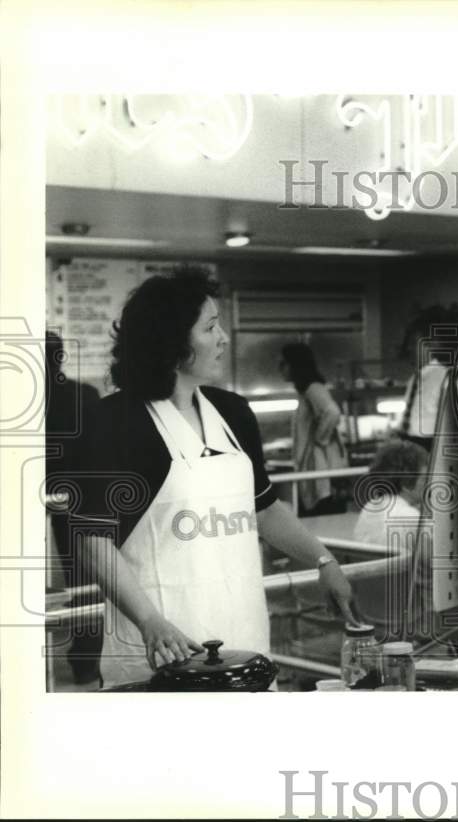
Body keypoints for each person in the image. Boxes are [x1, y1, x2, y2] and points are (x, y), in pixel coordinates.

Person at [73, 267, 359, 688]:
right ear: (171, 341)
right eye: (210, 327)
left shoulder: (233, 412)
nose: (224, 338)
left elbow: (263, 509)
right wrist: (151, 620)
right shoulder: (115, 421)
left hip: (245, 642)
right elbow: (93, 540)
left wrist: (324, 560)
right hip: (160, 650)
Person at [45, 331, 103, 687]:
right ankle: (86, 663)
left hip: (31, 494)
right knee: (85, 579)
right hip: (80, 496)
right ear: (61, 357)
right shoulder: (87, 395)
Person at [353, 440, 432, 639]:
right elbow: (439, 569)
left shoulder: (368, 508)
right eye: (424, 476)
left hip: (370, 612)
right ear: (406, 483)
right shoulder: (412, 518)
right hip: (411, 615)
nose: (429, 482)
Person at [279, 342, 348, 516]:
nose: (281, 368)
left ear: (295, 365)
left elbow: (332, 412)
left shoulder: (313, 389)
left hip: (321, 468)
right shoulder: (307, 391)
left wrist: (320, 439)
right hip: (317, 468)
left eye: (283, 363)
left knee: (322, 517)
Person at [397, 303, 458, 452]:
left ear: (432, 345)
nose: (409, 349)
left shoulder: (445, 378)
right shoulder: (414, 380)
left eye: (414, 343)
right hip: (409, 446)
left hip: (432, 448)